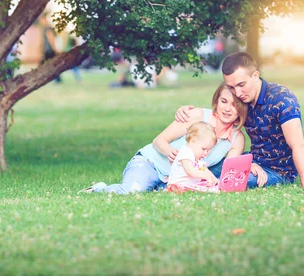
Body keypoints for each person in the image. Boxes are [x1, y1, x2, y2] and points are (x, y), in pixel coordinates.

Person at [176, 52, 304, 190]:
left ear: (255, 76)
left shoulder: (281, 100)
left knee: (231, 180)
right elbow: (219, 114)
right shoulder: (242, 101)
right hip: (250, 160)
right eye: (231, 87)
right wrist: (187, 112)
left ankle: (196, 186)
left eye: (241, 84)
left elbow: (298, 146)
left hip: (277, 171)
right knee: (205, 166)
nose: (237, 92)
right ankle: (171, 183)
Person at [81, 82, 248, 194]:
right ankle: (98, 189)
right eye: (223, 101)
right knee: (131, 191)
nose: (227, 109)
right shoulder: (197, 116)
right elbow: (158, 141)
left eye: (234, 104)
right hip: (150, 163)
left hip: (177, 178)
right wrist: (169, 152)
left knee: (161, 191)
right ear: (216, 101)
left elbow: (228, 173)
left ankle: (158, 185)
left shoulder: (236, 139)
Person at [166, 122, 220, 194]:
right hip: (177, 186)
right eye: (203, 149)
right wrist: (206, 176)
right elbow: (191, 172)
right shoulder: (185, 153)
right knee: (206, 190)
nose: (205, 153)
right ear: (192, 141)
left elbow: (204, 170)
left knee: (211, 187)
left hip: (189, 185)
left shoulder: (197, 157)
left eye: (208, 150)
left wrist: (213, 178)